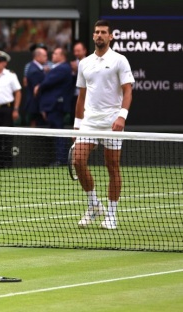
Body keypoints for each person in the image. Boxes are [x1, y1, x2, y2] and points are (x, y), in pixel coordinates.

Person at [74, 20, 134, 231]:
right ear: (93, 36)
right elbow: (81, 96)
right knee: (78, 161)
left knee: (112, 167)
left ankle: (111, 215)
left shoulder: (120, 60)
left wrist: (121, 117)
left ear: (111, 37)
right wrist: (76, 125)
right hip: (89, 122)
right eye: (97, 32)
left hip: (112, 122)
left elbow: (128, 91)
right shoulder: (85, 63)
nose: (99, 35)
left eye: (103, 32)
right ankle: (93, 204)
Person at [35, 46, 75, 165]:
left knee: (59, 133)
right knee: (56, 133)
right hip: (52, 106)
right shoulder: (57, 68)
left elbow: (48, 82)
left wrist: (39, 86)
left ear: (62, 56)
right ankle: (59, 158)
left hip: (56, 106)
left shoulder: (62, 68)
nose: (53, 55)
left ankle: (61, 159)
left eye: (56, 53)